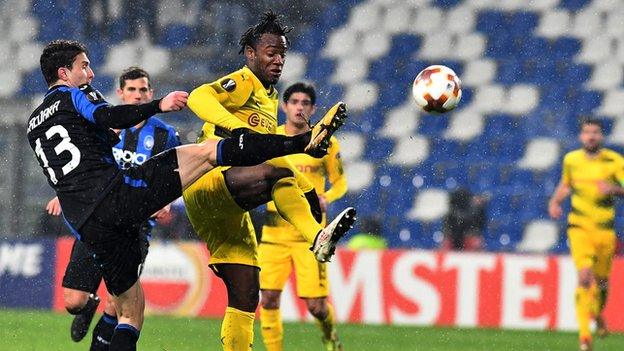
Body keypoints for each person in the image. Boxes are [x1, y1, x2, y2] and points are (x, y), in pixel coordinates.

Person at [28, 39, 341, 350]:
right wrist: (158, 104)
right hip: (119, 198)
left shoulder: (33, 123)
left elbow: (81, 153)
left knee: (129, 311)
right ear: (64, 73)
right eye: (84, 66)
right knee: (207, 153)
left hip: (87, 224)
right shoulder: (73, 95)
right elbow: (107, 119)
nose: (92, 73)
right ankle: (303, 143)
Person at [184, 11, 356, 351]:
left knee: (248, 294)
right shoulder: (244, 81)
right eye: (270, 53)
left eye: (282, 54)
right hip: (209, 179)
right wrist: (236, 129)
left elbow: (272, 157)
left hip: (229, 212)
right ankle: (316, 238)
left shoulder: (269, 96)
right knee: (277, 172)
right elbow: (197, 97)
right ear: (250, 53)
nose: (278, 61)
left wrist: (307, 190)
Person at [45, 66, 180, 350]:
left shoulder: (165, 135)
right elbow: (81, 169)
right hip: (99, 216)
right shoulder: (105, 126)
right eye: (131, 90)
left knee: (119, 301)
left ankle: (101, 344)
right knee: (73, 301)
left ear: (151, 93)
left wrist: (167, 203)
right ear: (120, 93)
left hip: (136, 224)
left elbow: (176, 174)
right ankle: (89, 303)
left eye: (143, 90)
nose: (137, 95)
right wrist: (66, 195)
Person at [258, 82, 347, 351]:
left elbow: (340, 183)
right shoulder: (270, 137)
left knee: (316, 307)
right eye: (294, 102)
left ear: (313, 108)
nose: (299, 107)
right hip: (274, 234)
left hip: (311, 235)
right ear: (284, 106)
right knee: (269, 299)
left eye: (305, 103)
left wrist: (326, 198)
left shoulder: (326, 142)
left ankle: (330, 336)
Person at [548, 119, 624, 351]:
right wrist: (555, 201)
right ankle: (584, 338)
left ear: (601, 136)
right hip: (579, 226)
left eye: (595, 132)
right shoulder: (571, 160)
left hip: (605, 231)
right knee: (584, 277)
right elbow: (566, 184)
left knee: (601, 282)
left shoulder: (615, 161)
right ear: (581, 136)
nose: (591, 136)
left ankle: (598, 314)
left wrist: (613, 189)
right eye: (587, 132)